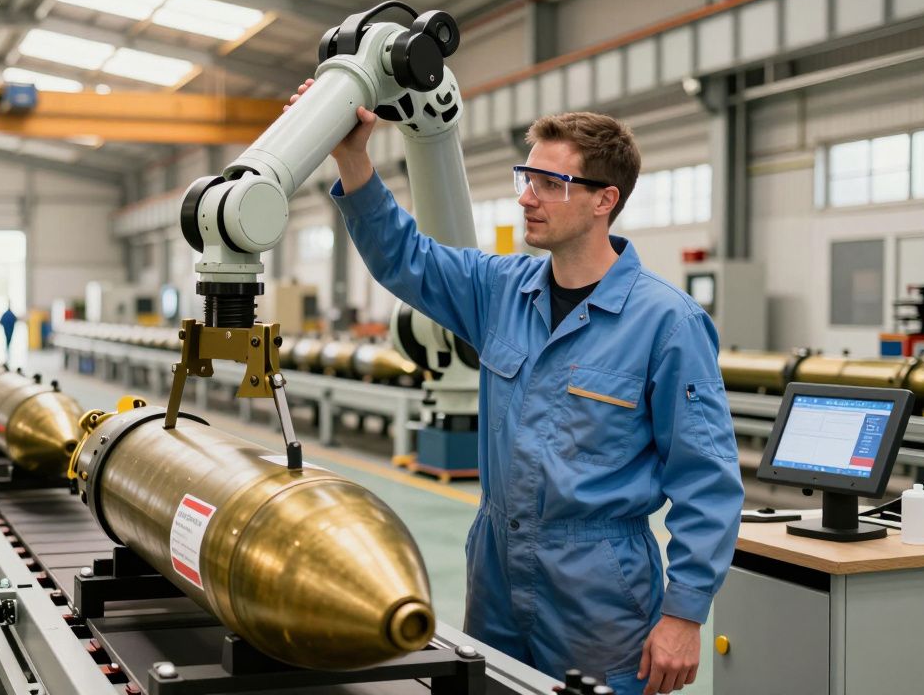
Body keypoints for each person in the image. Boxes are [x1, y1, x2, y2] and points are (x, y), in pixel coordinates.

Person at [290, 79, 744, 695]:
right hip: (497, 570)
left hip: (599, 592)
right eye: (525, 178)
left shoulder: (668, 324)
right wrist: (353, 158)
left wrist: (683, 614)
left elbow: (706, 480)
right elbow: (404, 257)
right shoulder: (501, 290)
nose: (527, 198)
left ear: (603, 200)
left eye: (549, 185)